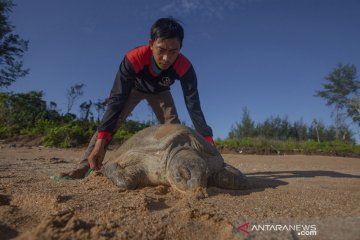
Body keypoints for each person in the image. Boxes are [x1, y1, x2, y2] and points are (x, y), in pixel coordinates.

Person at [61, 17, 214, 179]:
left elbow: (193, 104)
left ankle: (180, 167)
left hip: (161, 92)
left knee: (174, 126)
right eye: (161, 50)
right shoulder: (134, 58)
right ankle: (84, 166)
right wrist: (100, 142)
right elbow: (116, 100)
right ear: (151, 44)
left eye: (173, 52)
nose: (166, 58)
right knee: (115, 118)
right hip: (134, 89)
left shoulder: (185, 66)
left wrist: (208, 140)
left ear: (180, 49)